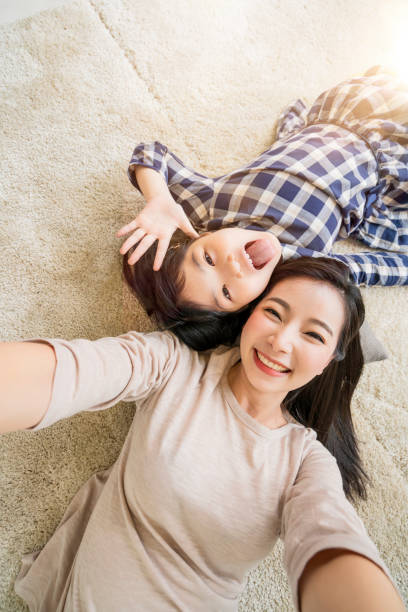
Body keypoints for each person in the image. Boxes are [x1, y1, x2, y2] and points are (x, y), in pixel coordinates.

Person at [2, 257, 404, 611]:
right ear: (250, 314)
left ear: (330, 360)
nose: (280, 342)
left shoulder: (304, 461)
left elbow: (330, 535)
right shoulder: (172, 366)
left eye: (313, 335)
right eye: (274, 313)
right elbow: (74, 371)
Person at [117, 66, 408, 349]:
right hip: (387, 162)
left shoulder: (207, 209)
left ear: (199, 237)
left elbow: (150, 153)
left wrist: (160, 200)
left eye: (207, 259)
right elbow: (374, 268)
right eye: (227, 292)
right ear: (249, 307)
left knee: (389, 80)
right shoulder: (302, 269)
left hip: (344, 119)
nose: (231, 268)